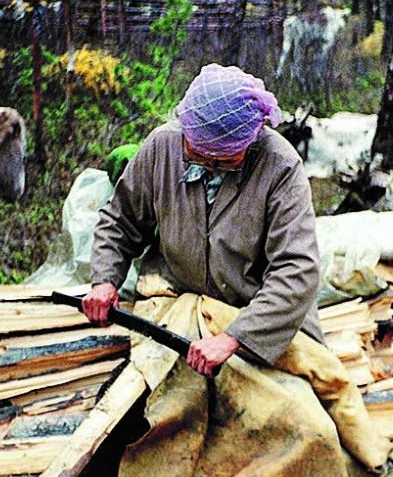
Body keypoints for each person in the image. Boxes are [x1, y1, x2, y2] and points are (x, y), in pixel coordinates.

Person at [82, 63, 324, 373]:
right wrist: (105, 280)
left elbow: (296, 269)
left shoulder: (280, 166)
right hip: (181, 301)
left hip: (255, 314)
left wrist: (235, 337)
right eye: (198, 154)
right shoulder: (163, 146)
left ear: (250, 140)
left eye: (223, 157)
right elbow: (120, 220)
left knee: (306, 413)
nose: (209, 164)